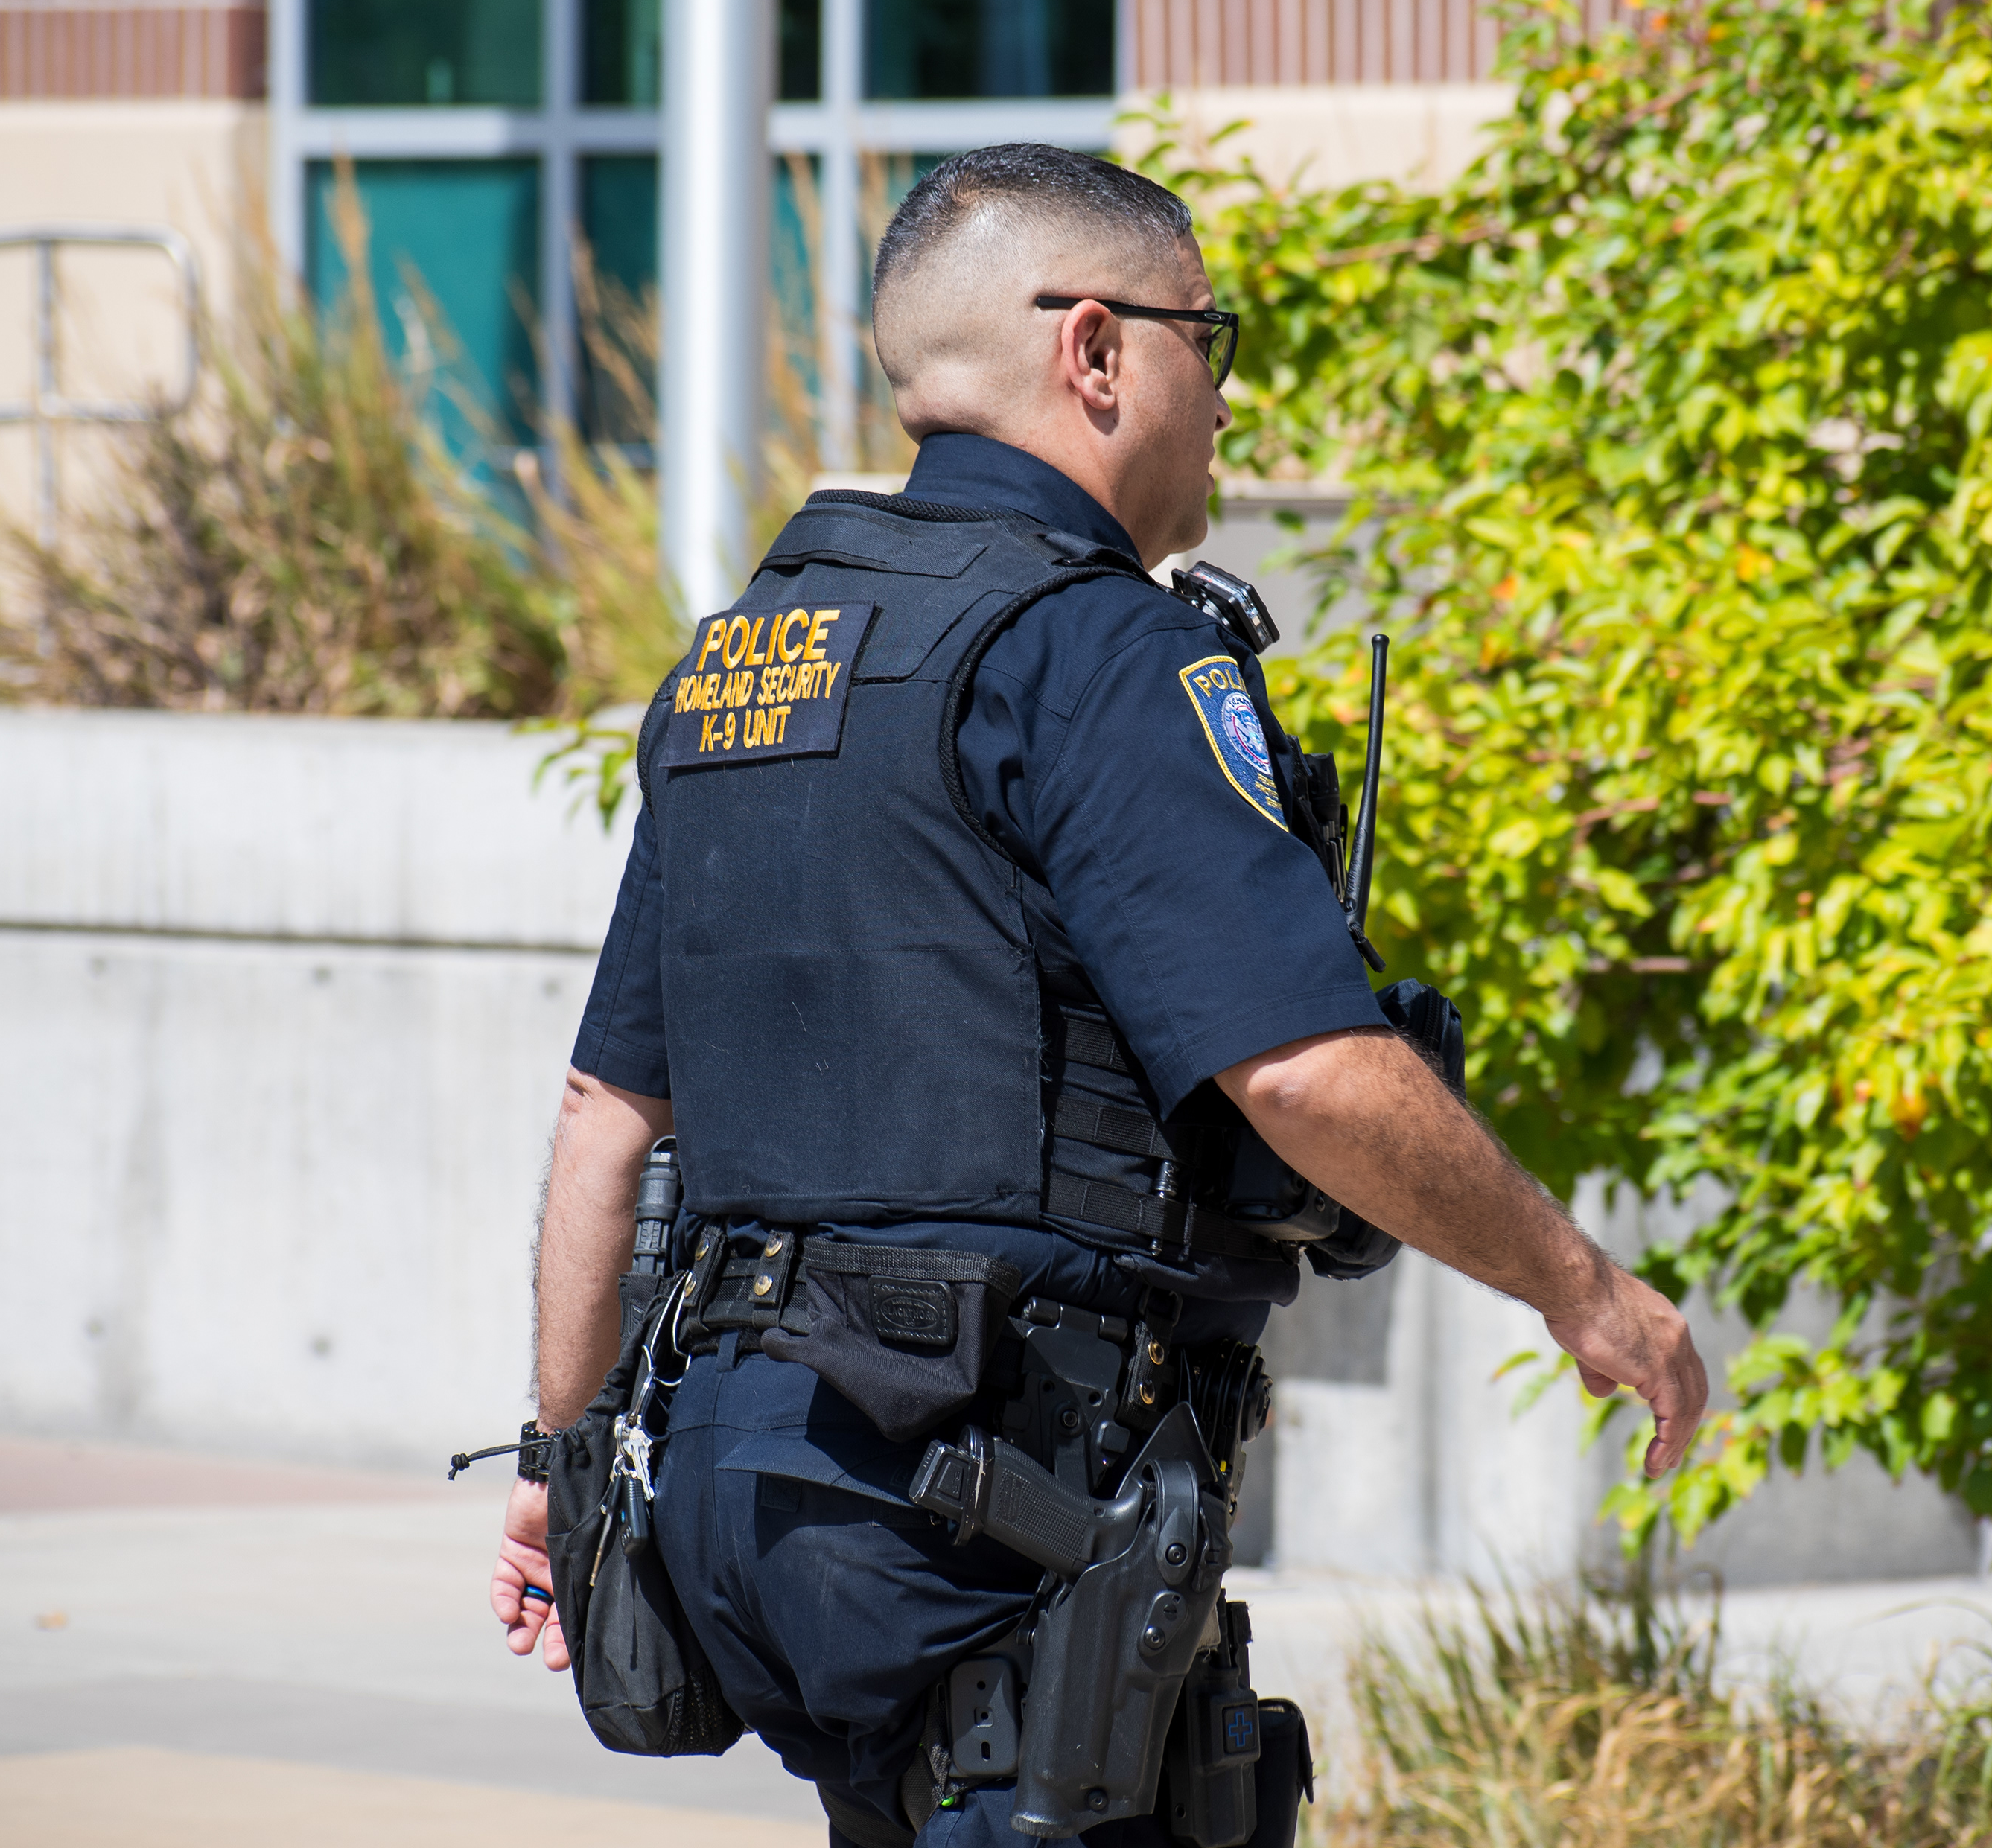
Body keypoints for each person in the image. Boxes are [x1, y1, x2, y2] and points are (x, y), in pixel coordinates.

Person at [489, 144, 1708, 1847]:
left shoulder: (745, 664)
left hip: (754, 1498)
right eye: (1211, 334)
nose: (1226, 389)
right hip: (995, 1508)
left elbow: (605, 1118)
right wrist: (1585, 1289)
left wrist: (563, 1467)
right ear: (1098, 350)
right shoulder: (1098, 651)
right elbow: (1301, 1071)